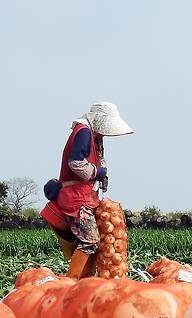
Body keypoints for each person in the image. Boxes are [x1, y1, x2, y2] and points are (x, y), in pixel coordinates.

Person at [41, 102, 134, 279]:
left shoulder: (94, 136)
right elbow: (75, 162)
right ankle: (72, 280)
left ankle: (86, 278)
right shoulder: (83, 132)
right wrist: (95, 172)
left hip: (84, 195)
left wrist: (102, 173)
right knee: (90, 241)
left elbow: (98, 160)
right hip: (76, 198)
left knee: (92, 242)